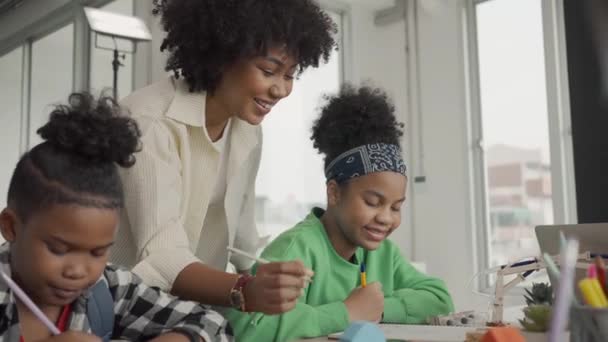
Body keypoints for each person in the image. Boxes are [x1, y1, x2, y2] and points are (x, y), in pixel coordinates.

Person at [111, 0, 335, 315]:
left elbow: (243, 242)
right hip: (122, 306)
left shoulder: (246, 128)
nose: (281, 90)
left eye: (290, 74)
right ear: (220, 58)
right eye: (269, 71)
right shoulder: (149, 122)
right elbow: (161, 256)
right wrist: (243, 290)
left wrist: (282, 277)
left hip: (196, 307)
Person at [225, 85, 455, 341]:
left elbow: (439, 299)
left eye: (396, 207)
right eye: (372, 202)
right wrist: (346, 312)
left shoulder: (383, 253)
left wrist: (378, 308)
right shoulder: (296, 249)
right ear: (334, 193)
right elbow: (249, 327)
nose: (386, 218)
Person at [0, 93, 233, 342]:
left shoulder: (109, 289)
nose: (78, 271)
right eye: (58, 249)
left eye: (97, 253)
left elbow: (213, 325)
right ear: (11, 227)